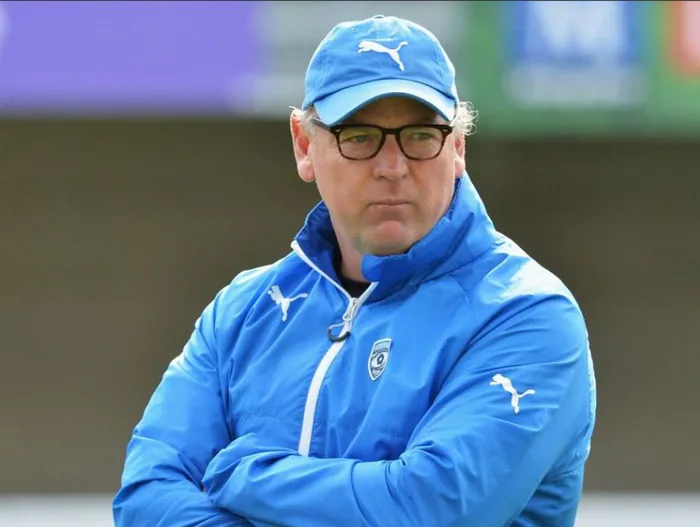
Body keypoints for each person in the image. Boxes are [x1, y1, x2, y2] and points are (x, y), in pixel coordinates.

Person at [113, 14, 596, 527]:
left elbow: (428, 511)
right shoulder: (240, 312)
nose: (393, 166)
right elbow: (146, 499)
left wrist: (245, 475)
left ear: (457, 147)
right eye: (360, 136)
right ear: (304, 146)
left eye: (420, 135)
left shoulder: (525, 312)